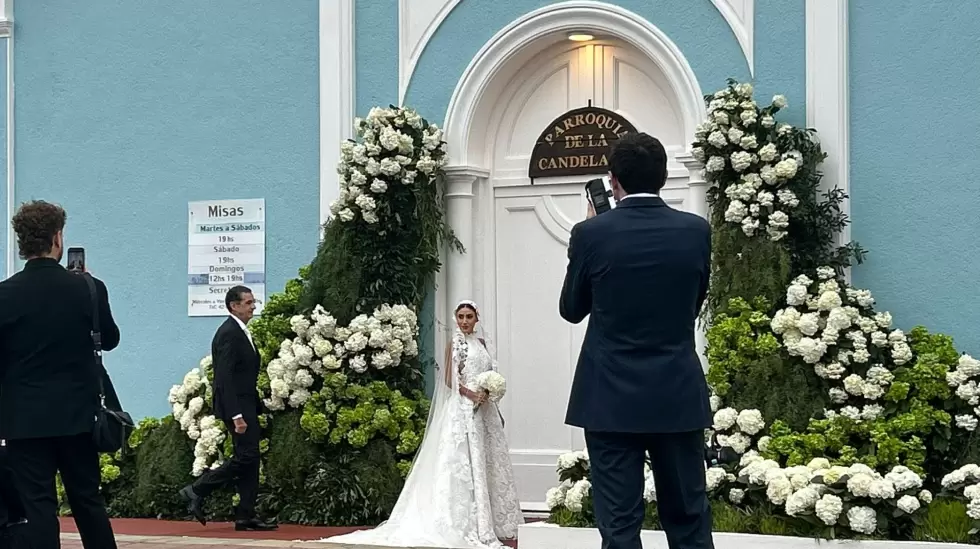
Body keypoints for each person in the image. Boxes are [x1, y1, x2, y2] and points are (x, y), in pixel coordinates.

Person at [559, 132, 714, 549]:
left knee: (620, 526)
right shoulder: (695, 231)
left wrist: (586, 238)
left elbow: (572, 308)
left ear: (613, 181)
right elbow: (693, 303)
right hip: (676, 393)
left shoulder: (591, 233)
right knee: (689, 521)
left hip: (609, 397)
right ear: (663, 176)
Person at [322, 300, 524, 549]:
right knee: (464, 459)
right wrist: (471, 395)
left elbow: (487, 374)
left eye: (469, 316)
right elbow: (449, 378)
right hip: (464, 408)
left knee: (487, 460)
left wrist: (489, 394)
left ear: (476, 318)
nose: (464, 321)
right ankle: (470, 521)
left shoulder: (482, 344)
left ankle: (493, 519)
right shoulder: (456, 344)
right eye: (460, 316)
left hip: (485, 410)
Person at [0, 200, 120, 549]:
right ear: (58, 237)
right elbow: (110, 340)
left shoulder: (5, 295)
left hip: (23, 419)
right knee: (87, 500)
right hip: (79, 416)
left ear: (22, 242)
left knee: (37, 505)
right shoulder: (89, 287)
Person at [179, 286, 276, 532]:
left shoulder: (240, 331)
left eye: (253, 302)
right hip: (237, 408)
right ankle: (197, 489)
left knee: (250, 459)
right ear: (234, 306)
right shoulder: (229, 333)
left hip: (246, 405)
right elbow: (224, 378)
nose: (253, 306)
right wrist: (236, 415)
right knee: (247, 457)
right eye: (248, 302)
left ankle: (245, 515)